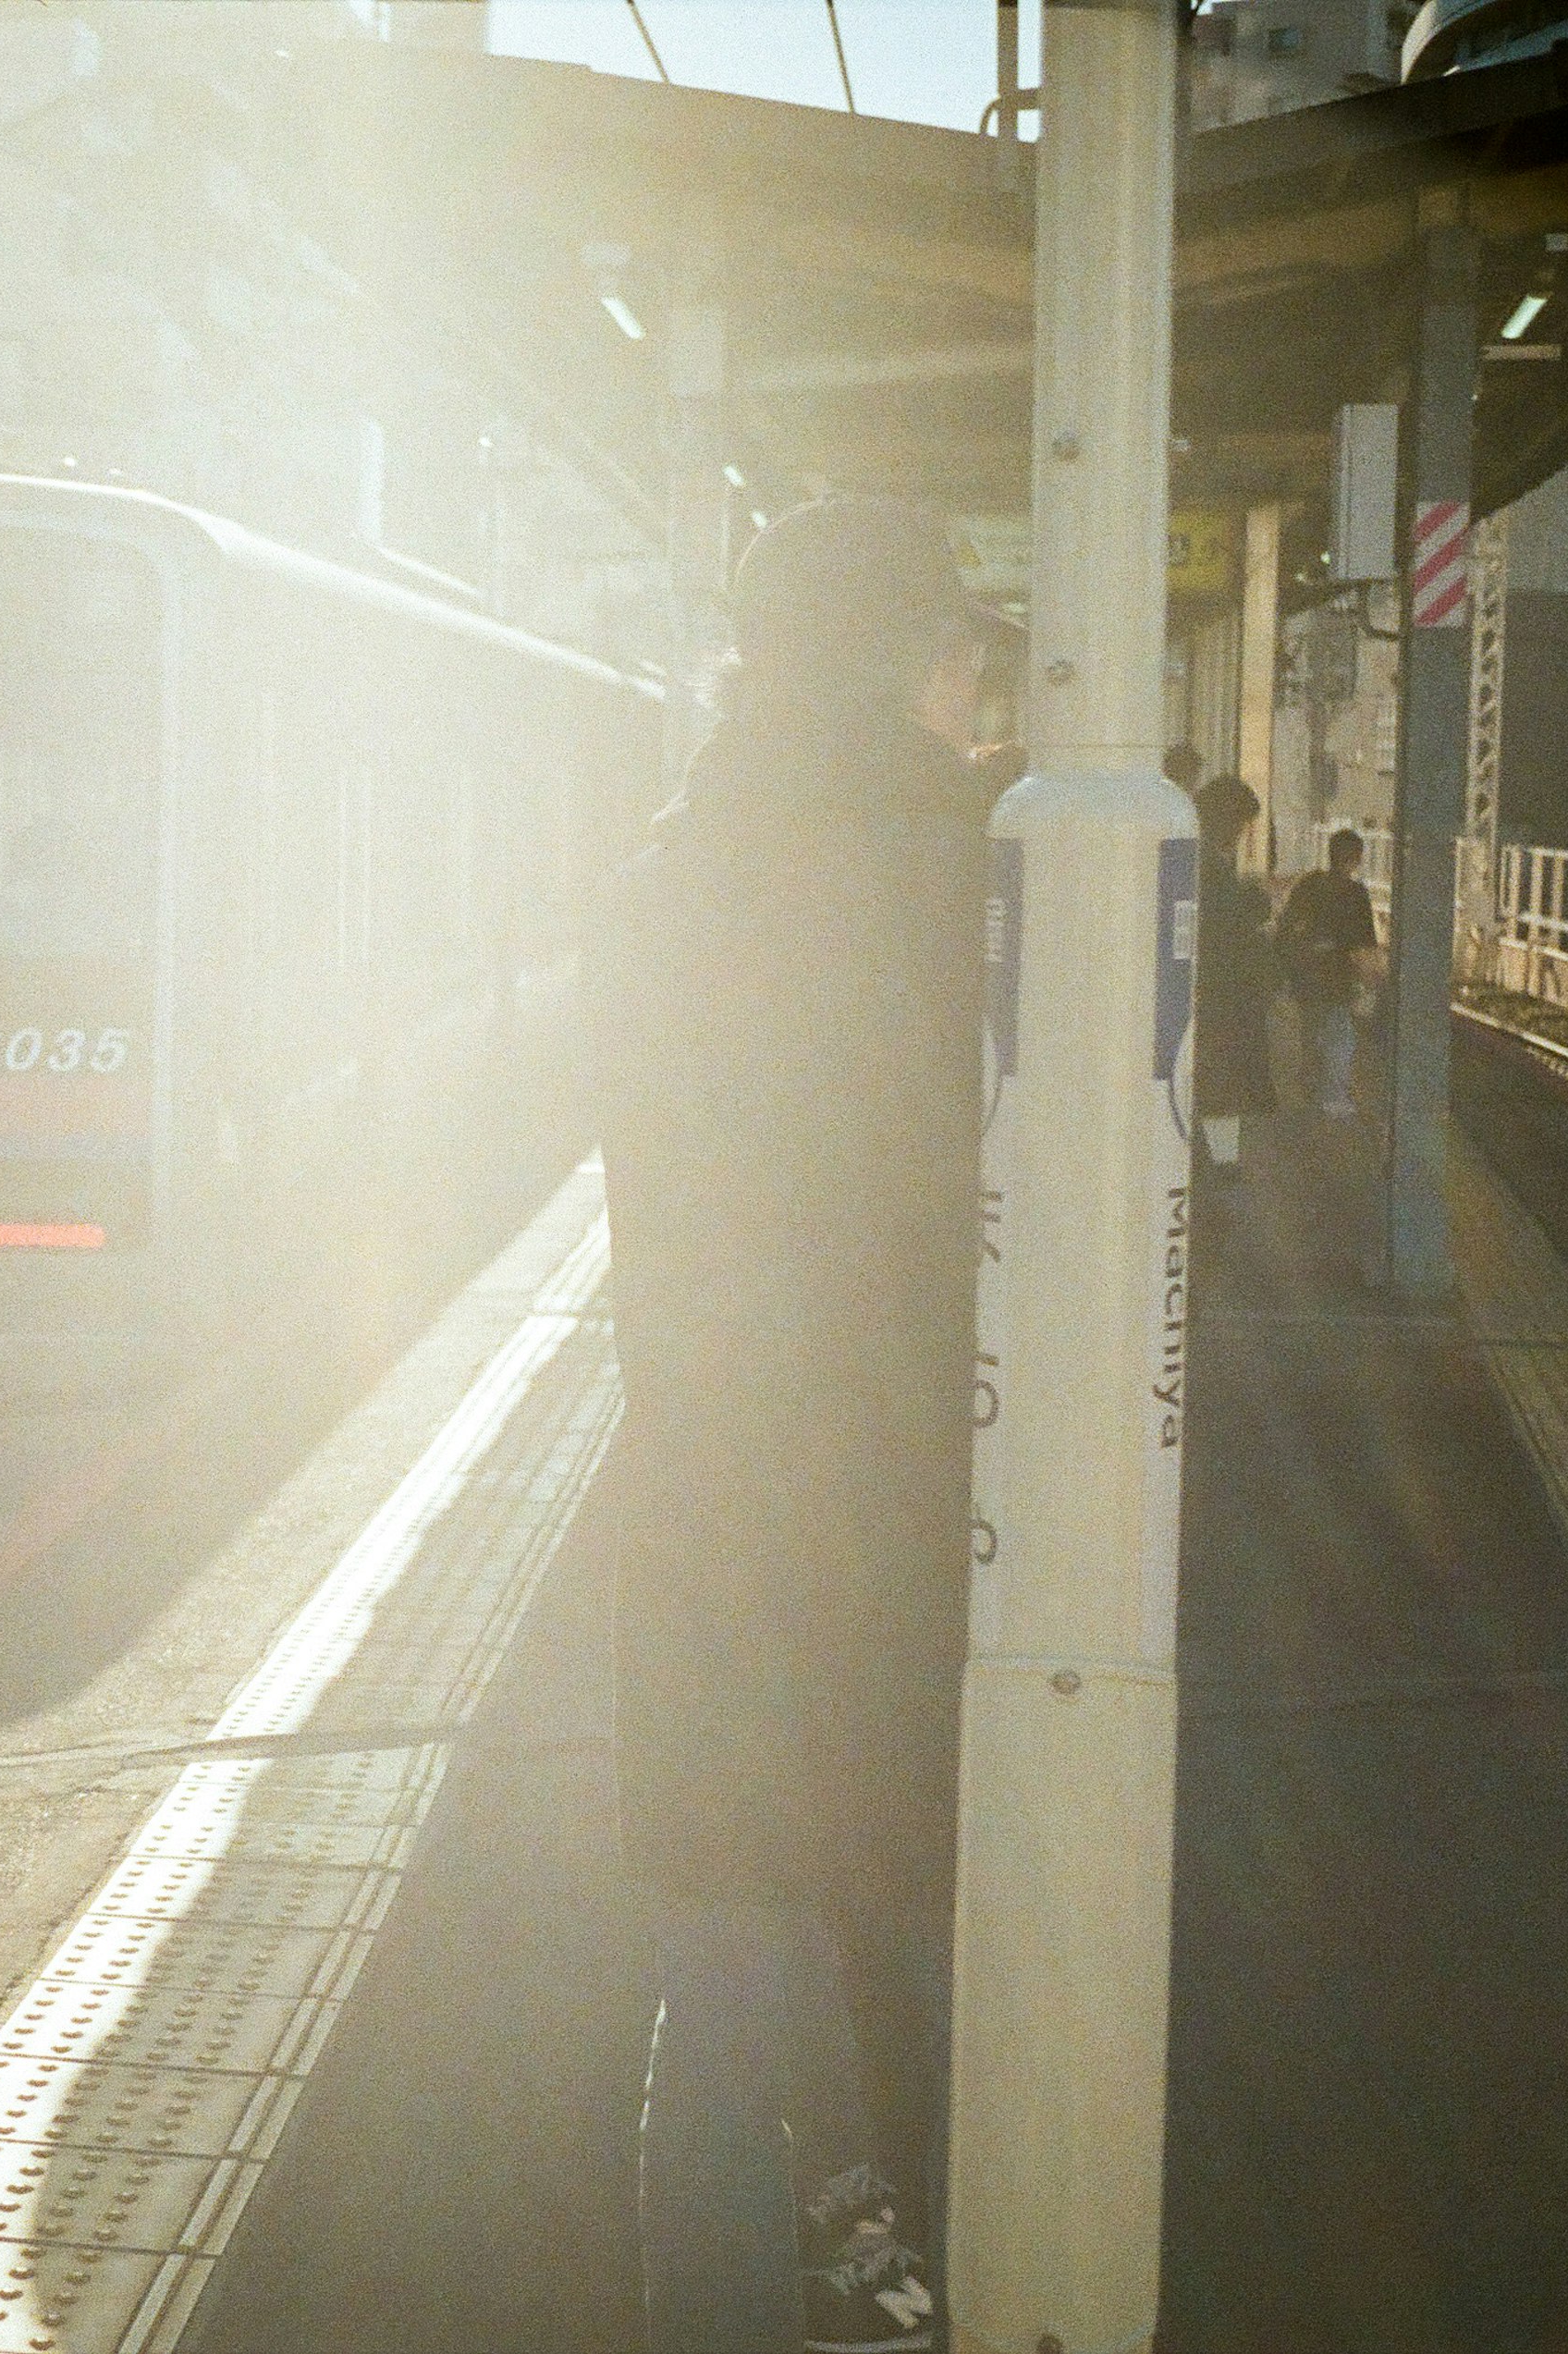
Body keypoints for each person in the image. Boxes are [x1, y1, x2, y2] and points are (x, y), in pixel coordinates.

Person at [600, 498, 988, 2354]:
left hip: (706, 1514)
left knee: (731, 1974)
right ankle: (895, 2294)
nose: (969, 686)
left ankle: (726, 2310)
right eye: (952, 647)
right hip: (906, 1523)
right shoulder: (958, 864)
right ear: (895, 650)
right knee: (907, 1972)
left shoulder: (680, 858)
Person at [1192, 777, 1281, 1174]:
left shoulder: (1205, 860)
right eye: (1245, 824)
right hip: (1221, 998)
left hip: (1215, 995)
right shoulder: (1209, 866)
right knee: (1222, 1084)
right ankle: (1222, 1166)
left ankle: (1220, 1162)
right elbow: (1225, 927)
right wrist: (1257, 910)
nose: (1245, 834)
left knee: (1218, 1084)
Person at [1274, 828, 1382, 1118]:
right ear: (1357, 858)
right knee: (1339, 1037)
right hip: (1336, 980)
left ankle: (1309, 1089)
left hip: (1305, 979)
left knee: (1311, 1033)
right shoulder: (1355, 893)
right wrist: (1370, 983)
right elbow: (1361, 947)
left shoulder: (1308, 884)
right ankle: (1332, 1101)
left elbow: (1284, 929)